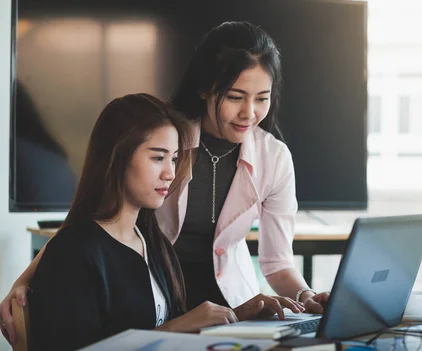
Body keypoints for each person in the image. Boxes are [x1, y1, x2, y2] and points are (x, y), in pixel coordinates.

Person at [0, 22, 329, 346]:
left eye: (262, 98)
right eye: (235, 96)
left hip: (215, 303)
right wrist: (27, 278)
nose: (249, 112)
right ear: (204, 88)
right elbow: (94, 223)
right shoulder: (164, 133)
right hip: (154, 299)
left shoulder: (273, 157)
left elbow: (278, 261)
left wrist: (305, 297)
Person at [25, 94, 303, 350]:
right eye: (158, 158)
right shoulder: (75, 252)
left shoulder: (153, 243)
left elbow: (170, 333)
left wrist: (238, 315)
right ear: (116, 157)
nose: (171, 173)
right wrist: (175, 329)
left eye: (175, 159)